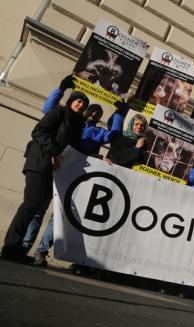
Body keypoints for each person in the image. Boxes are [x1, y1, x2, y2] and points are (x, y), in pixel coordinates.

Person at [23, 78, 126, 266]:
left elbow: (114, 136)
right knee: (38, 209)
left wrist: (119, 114)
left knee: (60, 215)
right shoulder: (67, 120)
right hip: (50, 168)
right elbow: (48, 109)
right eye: (91, 109)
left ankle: (41, 251)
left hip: (74, 175)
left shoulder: (97, 132)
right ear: (84, 110)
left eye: (98, 112)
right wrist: (61, 89)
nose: (94, 113)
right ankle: (24, 246)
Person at [1, 76, 89, 262]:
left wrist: (99, 159)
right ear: (71, 101)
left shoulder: (77, 124)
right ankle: (9, 248)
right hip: (39, 163)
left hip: (54, 170)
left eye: (84, 104)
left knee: (36, 209)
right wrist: (55, 151)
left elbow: (76, 149)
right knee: (30, 205)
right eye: (79, 101)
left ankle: (17, 250)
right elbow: (38, 132)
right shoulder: (58, 112)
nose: (81, 105)